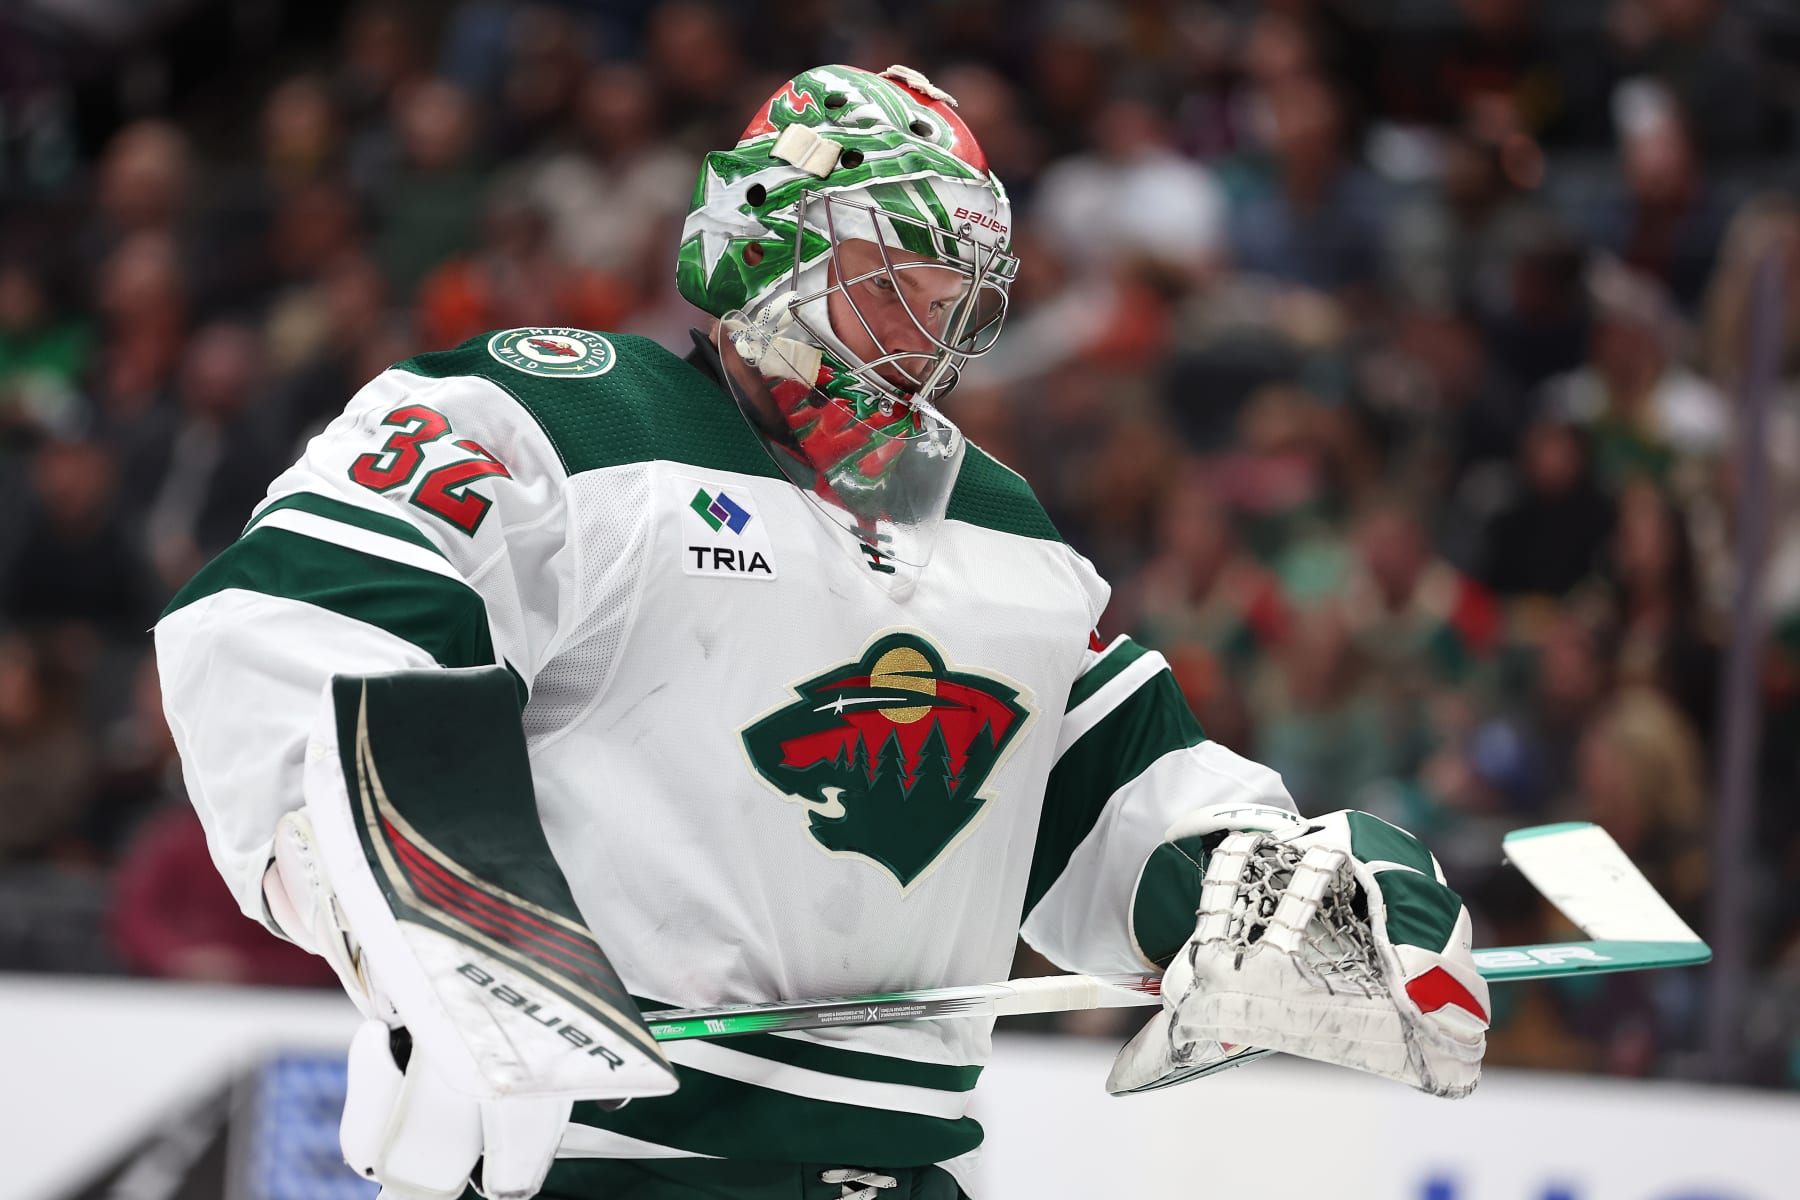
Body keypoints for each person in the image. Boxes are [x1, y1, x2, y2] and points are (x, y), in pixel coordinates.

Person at [155, 66, 1489, 1200]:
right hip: (587, 1160)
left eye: (948, 296)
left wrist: (1283, 902)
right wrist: (430, 921)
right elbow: (285, 629)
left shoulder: (999, 528)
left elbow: (1110, 802)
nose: (925, 338)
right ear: (758, 244)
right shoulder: (566, 419)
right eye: (887, 279)